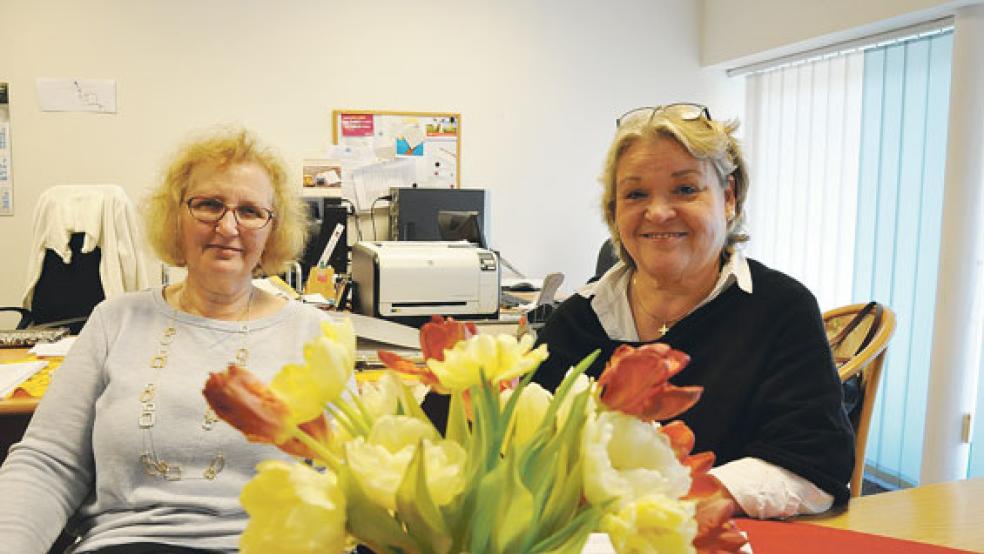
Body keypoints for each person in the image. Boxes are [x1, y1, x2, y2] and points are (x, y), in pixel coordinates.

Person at [0, 128, 329, 553]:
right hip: (130, 542)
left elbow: (342, 478)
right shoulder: (113, 321)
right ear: (176, 216)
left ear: (272, 229)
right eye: (209, 204)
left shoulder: (312, 332)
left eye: (250, 211)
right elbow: (48, 463)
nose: (228, 226)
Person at [533, 104, 855, 519]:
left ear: (728, 198)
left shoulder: (781, 309)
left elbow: (813, 465)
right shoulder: (580, 318)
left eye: (685, 189)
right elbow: (520, 439)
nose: (659, 212)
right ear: (614, 212)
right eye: (635, 194)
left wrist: (668, 510)